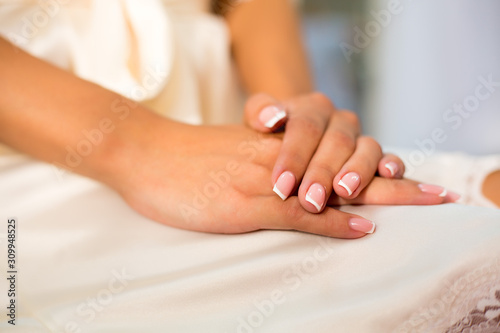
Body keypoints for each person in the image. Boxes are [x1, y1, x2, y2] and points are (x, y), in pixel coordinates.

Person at [0, 0, 458, 239]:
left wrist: (294, 125)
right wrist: (143, 147)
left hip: (231, 135)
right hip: (39, 165)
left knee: (475, 202)